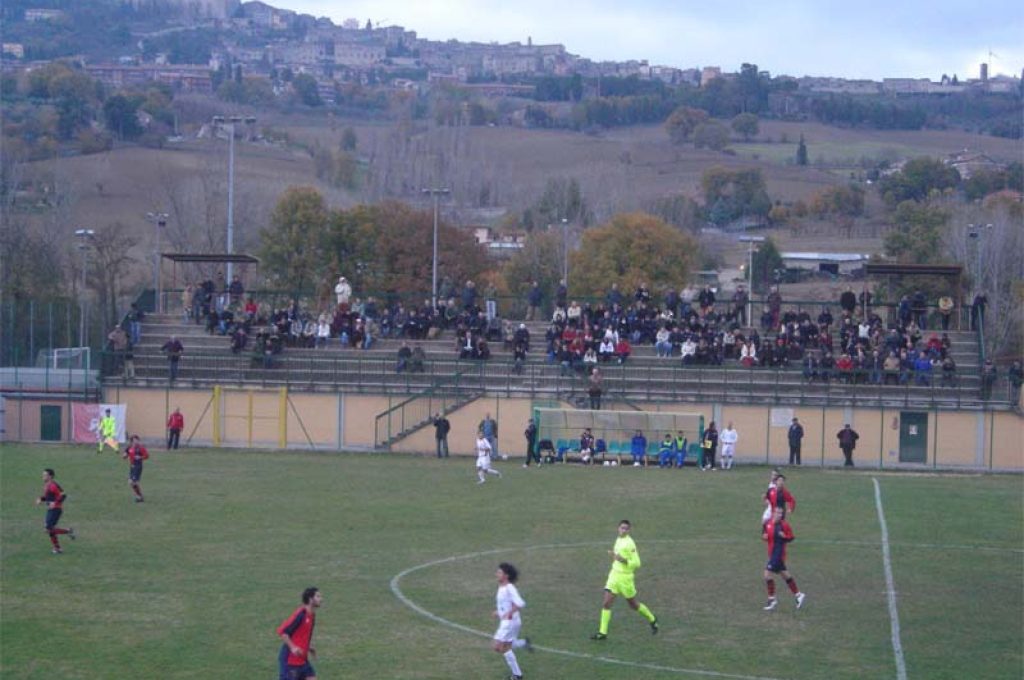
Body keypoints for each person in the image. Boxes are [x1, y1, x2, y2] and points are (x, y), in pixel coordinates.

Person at [590, 519, 658, 640]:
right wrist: (614, 556)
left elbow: (637, 563)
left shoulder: (630, 543)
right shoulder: (618, 540)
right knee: (606, 603)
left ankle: (652, 619)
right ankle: (602, 633)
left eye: (626, 528)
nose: (623, 530)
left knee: (633, 605)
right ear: (618, 528)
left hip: (625, 578)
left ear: (629, 530)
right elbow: (617, 557)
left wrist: (623, 560)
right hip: (614, 575)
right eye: (622, 528)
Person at [492, 563, 533, 680]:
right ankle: (523, 643)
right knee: (503, 646)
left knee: (499, 647)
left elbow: (520, 603)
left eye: (499, 572)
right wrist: (499, 612)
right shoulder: (502, 587)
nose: (496, 574)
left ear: (506, 576)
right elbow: (506, 604)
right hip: (509, 621)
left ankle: (517, 675)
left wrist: (509, 613)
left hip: (509, 623)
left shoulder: (509, 588)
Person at [762, 507, 806, 611]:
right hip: (772, 553)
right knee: (785, 575)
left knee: (767, 575)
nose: (780, 515)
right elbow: (764, 534)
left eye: (781, 513)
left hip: (778, 554)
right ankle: (799, 595)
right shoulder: (768, 523)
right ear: (773, 513)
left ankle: (772, 599)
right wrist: (764, 537)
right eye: (778, 513)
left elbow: (791, 537)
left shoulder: (784, 525)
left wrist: (784, 536)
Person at [277, 587, 322, 680]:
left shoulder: (312, 615)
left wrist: (308, 646)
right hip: (290, 660)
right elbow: (283, 632)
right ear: (310, 599)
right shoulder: (300, 614)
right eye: (318, 596)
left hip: (302, 659)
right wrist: (293, 647)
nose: (321, 599)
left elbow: (302, 634)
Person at [36, 468, 75, 555]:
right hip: (50, 510)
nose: (43, 476)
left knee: (49, 528)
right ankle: (58, 548)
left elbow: (63, 495)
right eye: (43, 475)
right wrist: (41, 499)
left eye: (45, 475)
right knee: (50, 529)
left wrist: (55, 503)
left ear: (50, 476)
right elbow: (48, 497)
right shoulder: (47, 485)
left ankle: (68, 532)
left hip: (56, 510)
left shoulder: (53, 485)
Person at [123, 435, 149, 503]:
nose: (135, 441)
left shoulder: (140, 448)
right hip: (132, 467)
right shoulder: (129, 447)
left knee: (133, 482)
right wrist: (125, 455)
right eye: (134, 440)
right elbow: (125, 455)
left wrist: (140, 457)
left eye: (136, 440)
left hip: (138, 466)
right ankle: (139, 496)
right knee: (131, 482)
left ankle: (139, 496)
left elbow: (147, 456)